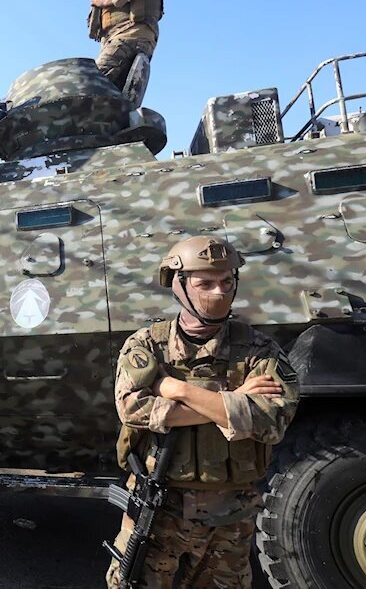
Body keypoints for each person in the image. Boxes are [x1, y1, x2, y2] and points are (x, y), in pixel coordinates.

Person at [105, 236, 299, 588]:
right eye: (205, 283)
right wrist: (234, 401)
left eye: (227, 282)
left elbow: (271, 421)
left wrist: (178, 390)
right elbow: (132, 408)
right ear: (177, 285)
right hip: (157, 505)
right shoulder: (147, 345)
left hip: (229, 515)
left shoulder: (258, 350)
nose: (219, 292)